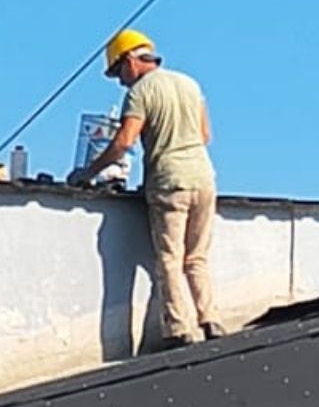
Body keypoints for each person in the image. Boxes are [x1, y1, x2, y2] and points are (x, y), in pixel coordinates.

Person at [70, 30, 225, 351]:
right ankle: (210, 320)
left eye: (118, 73)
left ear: (129, 61)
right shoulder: (189, 83)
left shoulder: (140, 92)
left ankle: (179, 329)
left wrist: (88, 172)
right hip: (205, 176)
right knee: (197, 257)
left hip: (170, 179)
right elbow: (205, 134)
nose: (120, 82)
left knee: (170, 257)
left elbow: (124, 142)